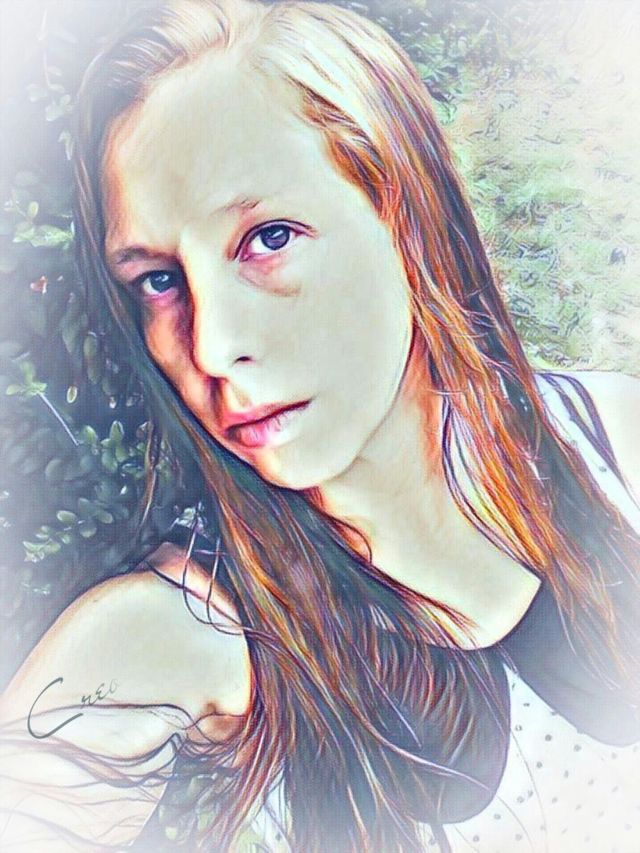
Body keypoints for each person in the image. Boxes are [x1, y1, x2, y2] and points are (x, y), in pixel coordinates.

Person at [1, 0, 639, 850]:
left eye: (268, 237)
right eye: (158, 280)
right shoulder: (187, 630)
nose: (214, 345)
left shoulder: (610, 437)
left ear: (405, 214)